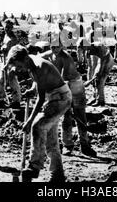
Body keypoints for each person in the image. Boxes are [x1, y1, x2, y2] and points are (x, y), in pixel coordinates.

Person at [5, 45, 72, 182]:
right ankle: (57, 174)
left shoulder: (39, 66)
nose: (18, 69)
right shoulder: (31, 63)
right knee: (51, 137)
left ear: (24, 58)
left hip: (60, 98)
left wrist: (29, 121)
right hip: (53, 97)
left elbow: (40, 99)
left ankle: (34, 166)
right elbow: (39, 83)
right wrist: (32, 89)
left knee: (37, 126)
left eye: (18, 65)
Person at [40, 42, 97, 157]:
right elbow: (38, 58)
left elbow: (64, 79)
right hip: (63, 85)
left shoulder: (66, 58)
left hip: (75, 85)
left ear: (62, 45)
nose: (55, 49)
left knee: (80, 115)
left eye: (57, 46)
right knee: (66, 117)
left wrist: (66, 98)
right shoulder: (50, 54)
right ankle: (67, 145)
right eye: (52, 46)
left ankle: (85, 145)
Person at [78, 38, 114, 106]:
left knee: (100, 80)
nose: (83, 50)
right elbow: (91, 66)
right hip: (100, 61)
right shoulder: (87, 50)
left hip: (108, 60)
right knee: (95, 81)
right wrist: (91, 78)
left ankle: (101, 101)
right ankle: (95, 97)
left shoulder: (98, 46)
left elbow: (103, 60)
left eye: (83, 47)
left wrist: (99, 73)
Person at [0, 19, 22, 108]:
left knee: (12, 81)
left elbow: (14, 53)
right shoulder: (6, 36)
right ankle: (1, 97)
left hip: (11, 62)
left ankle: (16, 100)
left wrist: (8, 64)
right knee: (1, 81)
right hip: (4, 60)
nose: (7, 29)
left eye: (9, 27)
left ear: (12, 28)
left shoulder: (13, 39)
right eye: (6, 27)